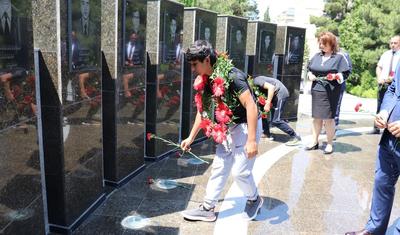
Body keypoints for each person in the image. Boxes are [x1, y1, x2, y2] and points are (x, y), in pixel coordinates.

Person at [180, 40, 263, 222]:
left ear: (207, 60)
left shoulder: (233, 76)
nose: (193, 69)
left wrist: (251, 140)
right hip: (226, 128)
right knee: (219, 166)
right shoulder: (206, 81)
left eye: (195, 64)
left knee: (240, 172)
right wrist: (190, 137)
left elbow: (251, 106)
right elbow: (202, 111)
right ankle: (208, 208)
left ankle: (254, 199)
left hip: (245, 125)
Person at [345, 63, 400, 235]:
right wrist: (384, 111)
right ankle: (374, 229)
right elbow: (393, 89)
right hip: (390, 136)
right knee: (382, 182)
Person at [305, 31, 350, 154]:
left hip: (331, 91)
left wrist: (336, 76)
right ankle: (314, 141)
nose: (321, 46)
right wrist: (309, 75)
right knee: (316, 117)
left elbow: (345, 73)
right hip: (317, 90)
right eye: (320, 43)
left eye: (324, 43)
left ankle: (329, 144)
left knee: (329, 118)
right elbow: (309, 69)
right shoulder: (316, 56)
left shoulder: (339, 57)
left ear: (332, 44)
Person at [253, 76, 301, 146]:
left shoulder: (256, 80)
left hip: (280, 94)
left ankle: (295, 136)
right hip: (274, 96)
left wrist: (268, 103)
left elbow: (271, 87)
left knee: (276, 120)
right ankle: (266, 134)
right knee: (262, 113)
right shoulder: (253, 88)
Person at [371, 35, 400, 134]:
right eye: (391, 43)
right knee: (380, 105)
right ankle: (376, 127)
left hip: (394, 85)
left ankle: (391, 128)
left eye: (395, 43)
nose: (392, 45)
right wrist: (379, 78)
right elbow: (379, 67)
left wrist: (391, 79)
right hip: (383, 84)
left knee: (393, 107)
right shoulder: (386, 54)